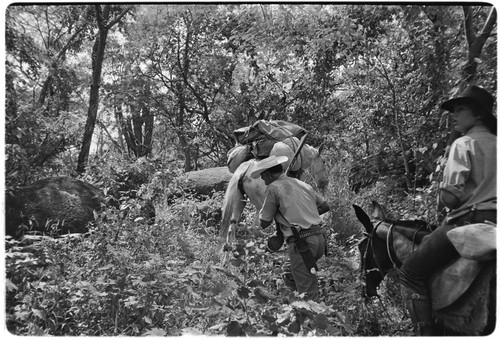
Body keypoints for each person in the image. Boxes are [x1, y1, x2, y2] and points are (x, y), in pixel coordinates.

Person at [399, 85, 497, 335]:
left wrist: (446, 190)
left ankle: (426, 333)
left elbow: (449, 199)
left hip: (468, 224)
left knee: (410, 272)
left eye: (460, 109)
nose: (454, 114)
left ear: (478, 115)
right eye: (453, 109)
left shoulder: (464, 144)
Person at [249, 155, 330, 301]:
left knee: (308, 291)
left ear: (267, 174)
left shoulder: (274, 188)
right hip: (319, 239)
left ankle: (312, 319)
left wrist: (264, 210)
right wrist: (305, 215)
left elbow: (264, 222)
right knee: (288, 273)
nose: (262, 180)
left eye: (262, 176)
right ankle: (294, 309)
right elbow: (324, 206)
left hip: (302, 243)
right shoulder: (302, 184)